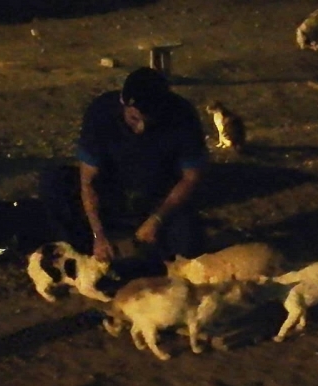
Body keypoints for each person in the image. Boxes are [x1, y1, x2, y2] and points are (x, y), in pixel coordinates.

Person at [40, 67, 209, 264]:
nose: (141, 129)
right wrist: (98, 233)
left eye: (148, 122)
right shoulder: (102, 112)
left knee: (189, 242)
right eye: (134, 119)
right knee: (55, 182)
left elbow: (191, 177)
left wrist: (157, 219)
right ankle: (86, 250)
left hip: (158, 194)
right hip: (112, 189)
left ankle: (148, 251)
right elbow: (88, 181)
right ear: (123, 103)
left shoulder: (183, 115)